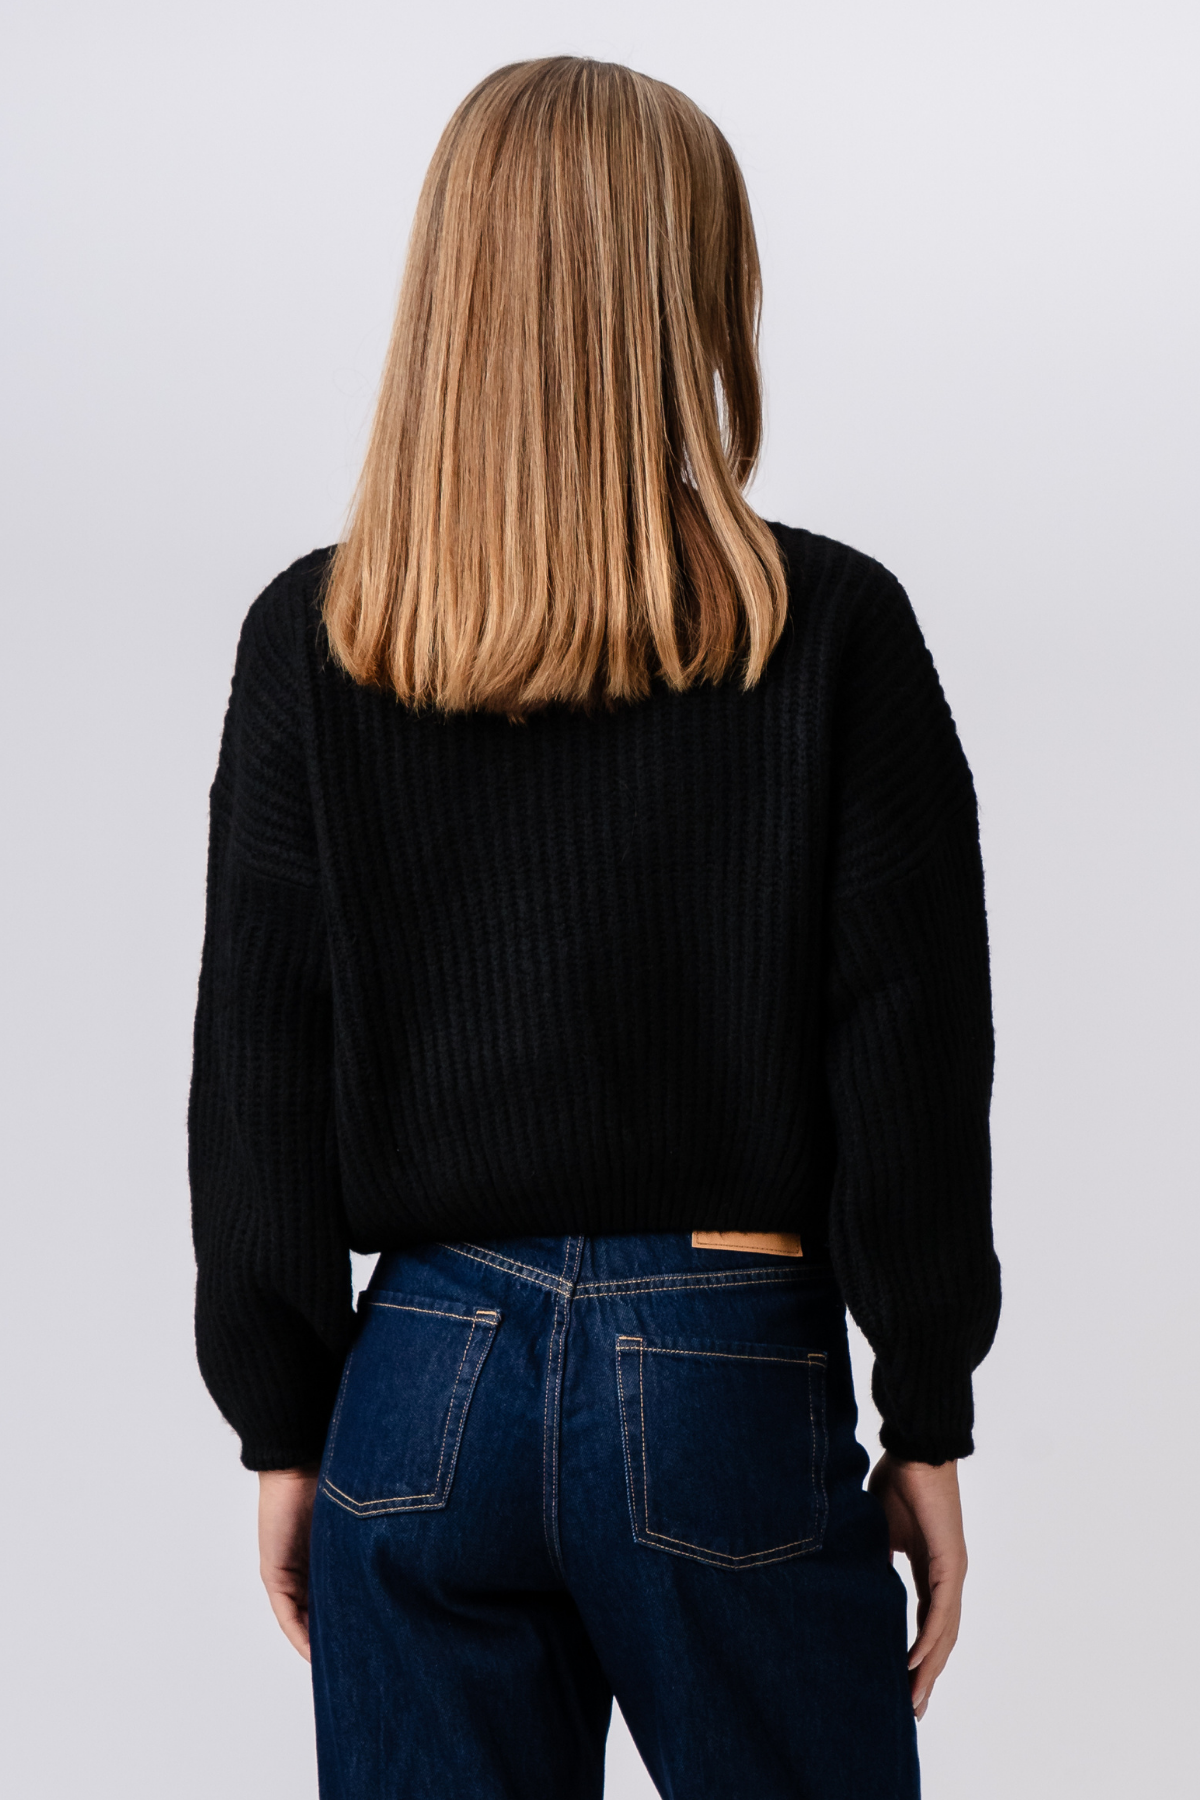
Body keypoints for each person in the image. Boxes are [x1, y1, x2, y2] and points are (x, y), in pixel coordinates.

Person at [189, 55, 1000, 1800]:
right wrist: (926, 1407)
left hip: (418, 1383)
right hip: (726, 1369)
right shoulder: (830, 628)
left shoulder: (314, 640)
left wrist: (283, 1423)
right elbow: (912, 1058)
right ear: (693, 290)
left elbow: (257, 1067)